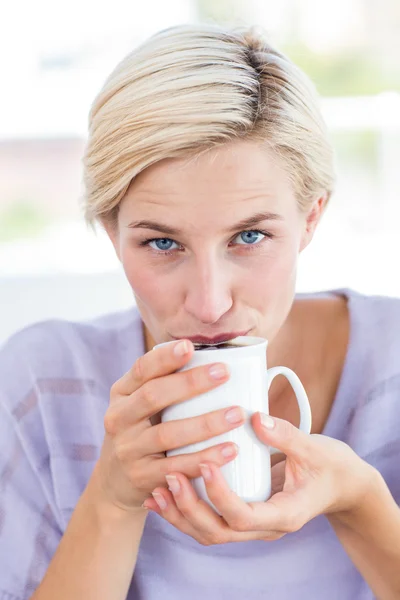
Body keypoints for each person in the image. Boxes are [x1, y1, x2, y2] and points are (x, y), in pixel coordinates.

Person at [0, 23, 399, 600]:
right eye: (163, 244)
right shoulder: (40, 387)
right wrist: (110, 502)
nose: (209, 303)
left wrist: (362, 504)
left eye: (251, 236)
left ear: (311, 218)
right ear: (111, 232)